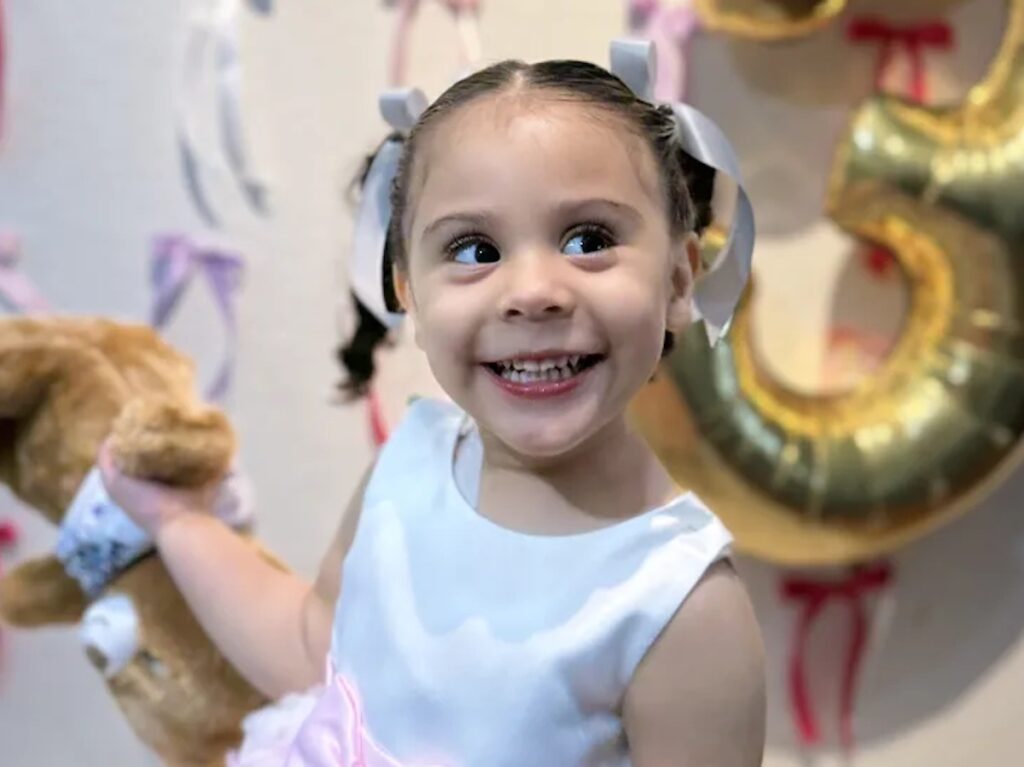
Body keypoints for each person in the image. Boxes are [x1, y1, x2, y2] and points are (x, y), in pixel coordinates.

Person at [101, 41, 766, 766]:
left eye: (588, 239)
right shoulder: (408, 468)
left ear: (678, 280)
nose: (532, 292)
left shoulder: (681, 606)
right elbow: (312, 648)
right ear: (408, 294)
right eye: (476, 250)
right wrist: (176, 521)